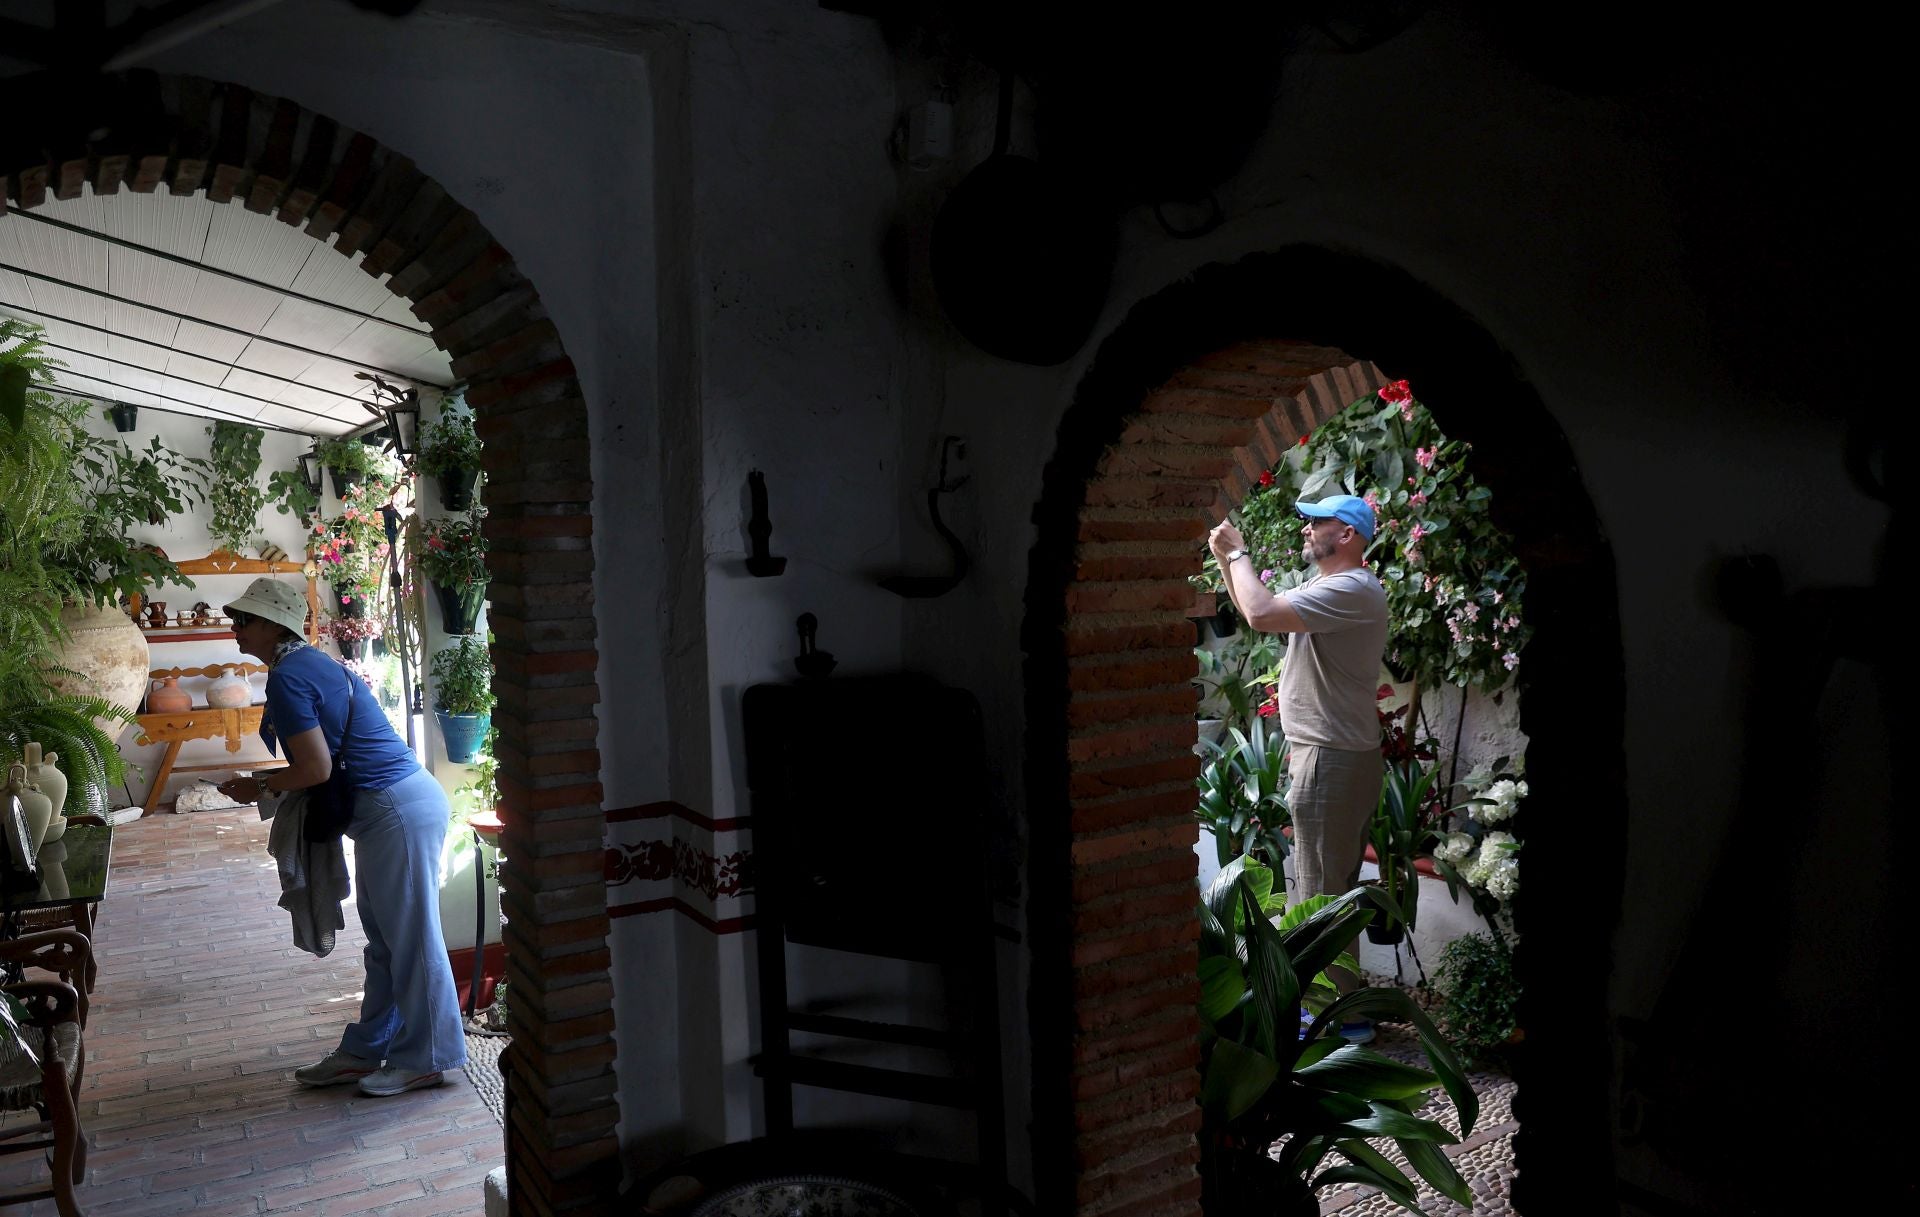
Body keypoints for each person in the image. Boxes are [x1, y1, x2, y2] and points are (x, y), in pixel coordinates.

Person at [215, 577, 467, 1096]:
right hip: (393, 809)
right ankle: (367, 1049)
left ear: (273, 625)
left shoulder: (289, 677)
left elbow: (315, 768)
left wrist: (258, 786)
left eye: (244, 620)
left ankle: (427, 1058)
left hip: (395, 810)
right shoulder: (308, 664)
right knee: (387, 941)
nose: (235, 628)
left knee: (411, 939)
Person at [1208, 493, 1388, 1041]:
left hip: (1330, 757)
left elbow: (1261, 613)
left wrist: (1238, 553)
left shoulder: (1351, 588)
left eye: (1317, 521)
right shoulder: (1332, 588)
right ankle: (1345, 1013)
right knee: (1332, 889)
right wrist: (1226, 558)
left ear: (1348, 535)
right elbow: (1256, 611)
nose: (1306, 528)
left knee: (1317, 895)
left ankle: (1323, 1024)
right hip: (1334, 754)